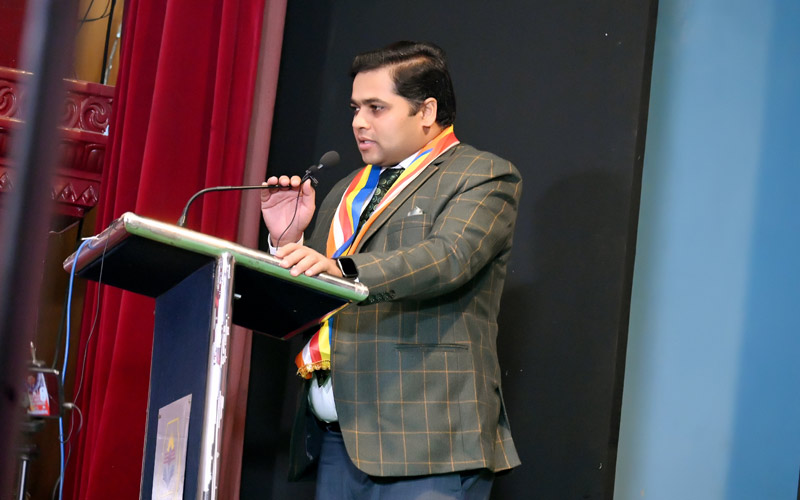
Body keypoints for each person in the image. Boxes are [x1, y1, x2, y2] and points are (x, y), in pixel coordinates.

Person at [260, 41, 521, 500]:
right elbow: (316, 288)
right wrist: (288, 241)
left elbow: (447, 258)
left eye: (376, 108)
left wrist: (340, 268)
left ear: (426, 111)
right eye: (355, 108)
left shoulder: (482, 175)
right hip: (340, 439)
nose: (359, 122)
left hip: (426, 439)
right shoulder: (347, 188)